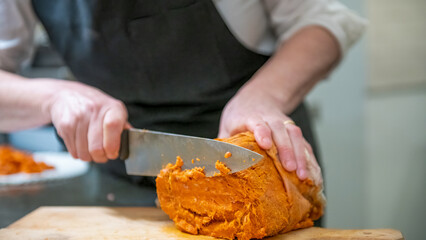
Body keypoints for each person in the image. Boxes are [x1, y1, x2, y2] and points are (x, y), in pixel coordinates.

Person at [0, 0, 365, 202]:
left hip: (257, 166)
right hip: (123, 172)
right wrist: (52, 97)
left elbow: (323, 21)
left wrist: (262, 96)